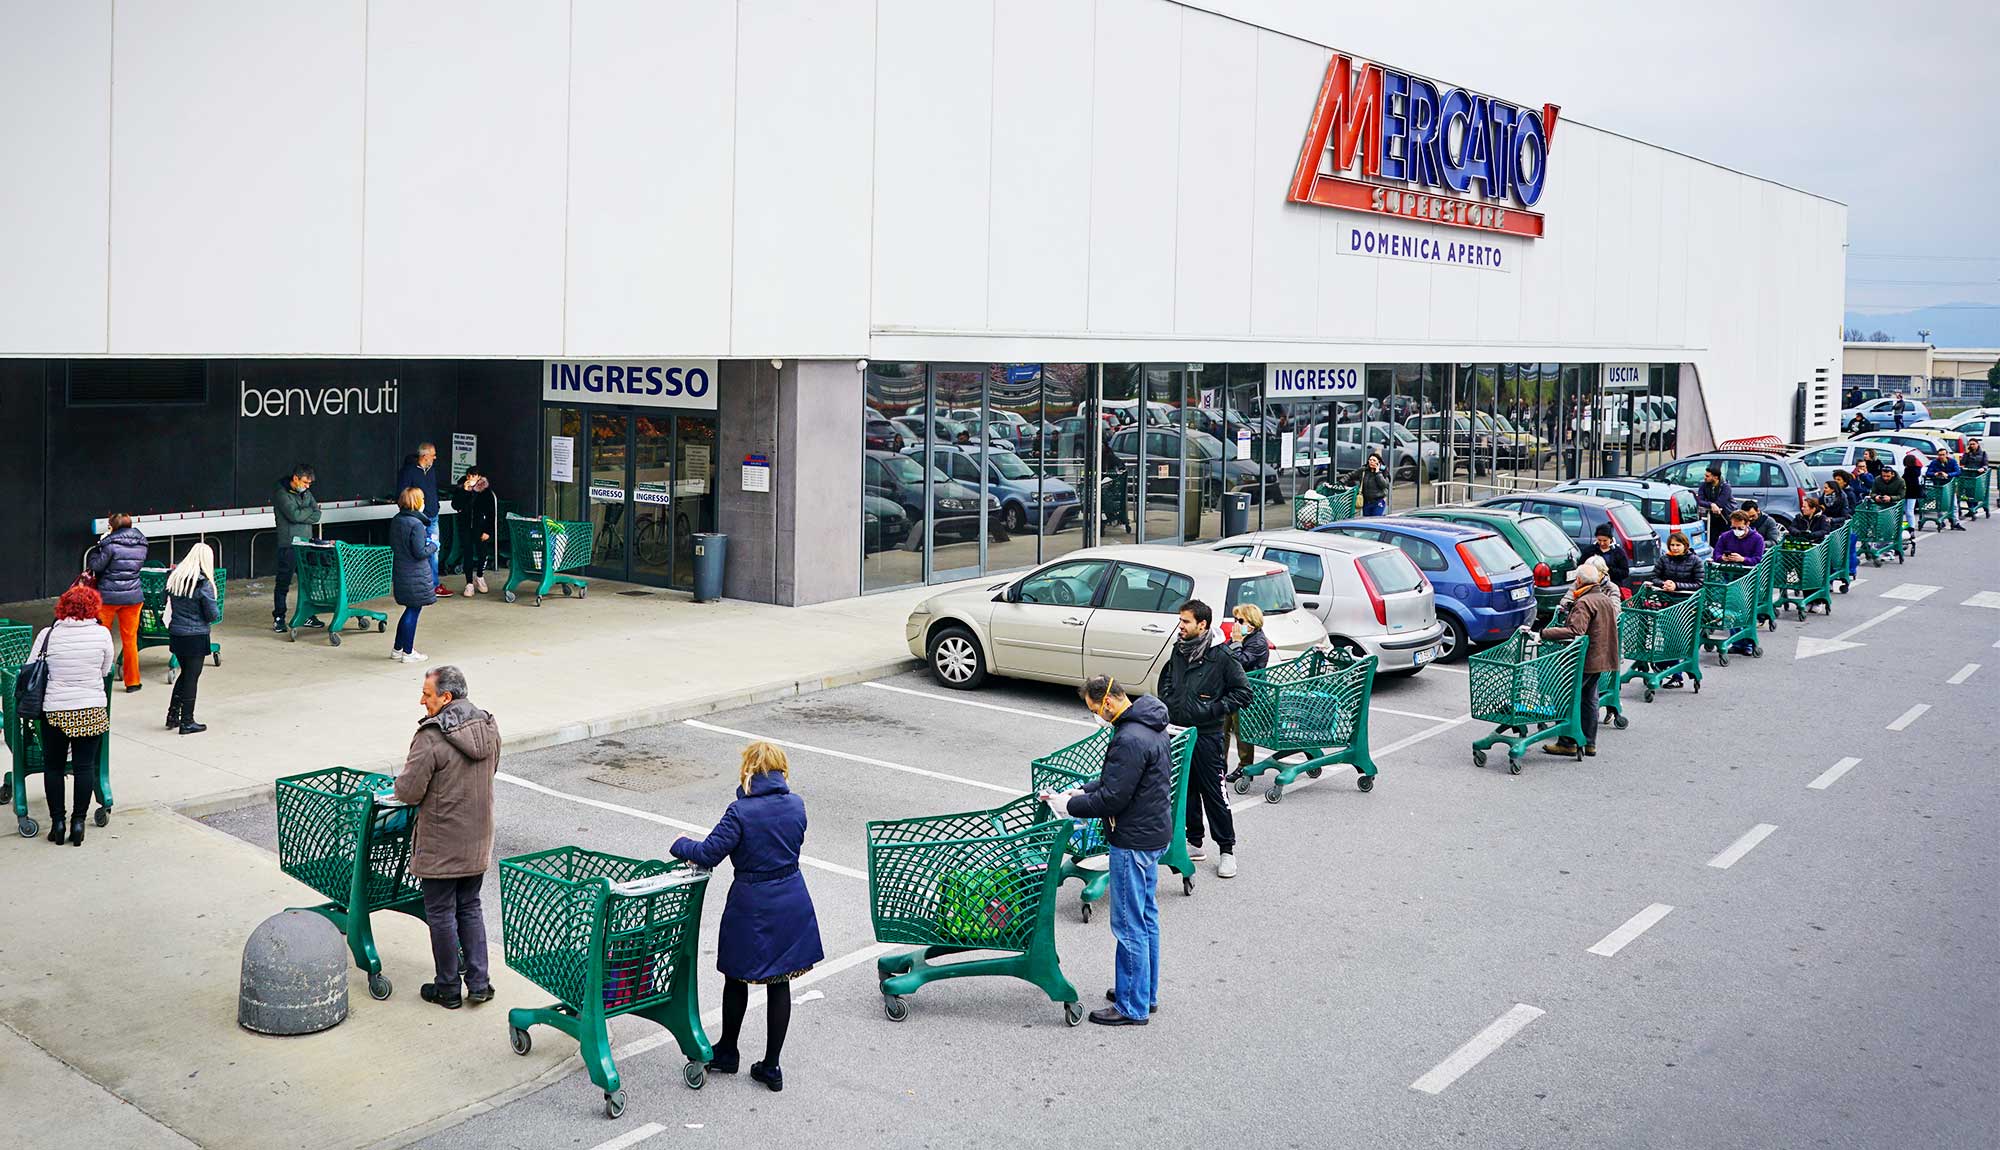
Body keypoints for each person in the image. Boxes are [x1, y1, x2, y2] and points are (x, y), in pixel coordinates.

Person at [669, 742, 825, 1090]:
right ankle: (772, 1066)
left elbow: (708, 854)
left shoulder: (740, 812)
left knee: (736, 977)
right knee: (779, 981)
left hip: (751, 904)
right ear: (781, 771)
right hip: (792, 899)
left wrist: (680, 843)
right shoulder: (797, 805)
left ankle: (727, 1051)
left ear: (750, 771)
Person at [1043, 675, 1173, 1026]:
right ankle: (1145, 992)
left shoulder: (1129, 737)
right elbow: (1115, 780)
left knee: (1129, 924)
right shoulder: (1149, 723)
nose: (1095, 716)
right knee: (1146, 917)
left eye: (1094, 709)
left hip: (1132, 839)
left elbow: (1113, 797)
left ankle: (1132, 1006)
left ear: (1109, 702)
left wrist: (1070, 806)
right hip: (1152, 832)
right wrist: (1077, 792)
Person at [393, 665, 500, 1010]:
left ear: (446, 697)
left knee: (440, 913)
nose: (421, 701)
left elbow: (409, 792)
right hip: (478, 839)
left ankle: (448, 988)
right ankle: (479, 983)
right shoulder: (488, 726)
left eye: (427, 694)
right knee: (469, 906)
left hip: (442, 844)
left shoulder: (432, 736)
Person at [1154, 599, 1251, 878]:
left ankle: (1227, 850)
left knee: (1214, 793)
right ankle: (1195, 842)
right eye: (1180, 620)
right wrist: (1169, 700)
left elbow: (1243, 693)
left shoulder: (1222, 657)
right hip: (1177, 731)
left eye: (1185, 621)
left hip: (1208, 736)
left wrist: (1211, 709)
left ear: (1202, 624)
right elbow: (1169, 678)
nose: (1180, 626)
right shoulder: (1179, 649)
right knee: (1184, 790)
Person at [31, 583, 115, 845]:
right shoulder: (102, 634)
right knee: (84, 767)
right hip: (91, 709)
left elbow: (32, 666)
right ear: (94, 608)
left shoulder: (48, 634)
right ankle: (78, 823)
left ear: (62, 607)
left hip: (55, 710)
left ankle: (57, 823)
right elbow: (105, 669)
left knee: (53, 767)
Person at [1539, 557, 1619, 758]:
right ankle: (1589, 743)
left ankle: (1567, 742)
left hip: (1586, 659)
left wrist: (1544, 633)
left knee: (1565, 696)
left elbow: (1575, 630)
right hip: (1602, 658)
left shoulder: (1584, 602)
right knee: (1589, 700)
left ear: (1580, 581)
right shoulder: (1603, 599)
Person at [163, 542, 221, 735]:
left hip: (177, 633)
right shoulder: (204, 584)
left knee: (185, 673)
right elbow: (212, 614)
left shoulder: (175, 578)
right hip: (196, 635)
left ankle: (173, 715)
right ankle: (187, 721)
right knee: (192, 677)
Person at [86, 513, 148, 692]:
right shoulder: (142, 544)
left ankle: (98, 677)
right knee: (130, 640)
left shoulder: (109, 545)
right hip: (133, 597)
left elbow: (96, 566)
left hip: (108, 597)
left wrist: (99, 548)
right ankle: (133, 682)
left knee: (100, 638)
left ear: (112, 527)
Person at [272, 464, 324, 632]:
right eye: (305, 482)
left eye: (309, 484)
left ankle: (308, 614)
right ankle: (279, 617)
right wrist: (307, 511)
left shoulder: (306, 493)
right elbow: (293, 516)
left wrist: (304, 512)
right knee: (283, 583)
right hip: (289, 544)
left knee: (308, 581)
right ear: (295, 478)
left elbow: (317, 514)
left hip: (306, 544)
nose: (307, 486)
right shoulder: (281, 493)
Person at [390, 487, 438, 662]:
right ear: (416, 502)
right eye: (422, 498)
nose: (424, 501)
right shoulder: (416, 524)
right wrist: (433, 545)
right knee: (413, 610)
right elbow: (420, 552)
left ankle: (397, 648)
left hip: (401, 571)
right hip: (415, 574)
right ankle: (408, 652)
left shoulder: (398, 519)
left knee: (409, 609)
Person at [1223, 603, 1271, 777]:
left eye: (1240, 620)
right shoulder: (1242, 637)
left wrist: (1236, 642)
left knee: (1241, 729)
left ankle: (1245, 766)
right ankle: (1220, 765)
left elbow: (1239, 662)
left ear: (1251, 622)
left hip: (1248, 692)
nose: (1236, 623)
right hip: (1231, 690)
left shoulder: (1257, 642)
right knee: (1222, 727)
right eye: (1235, 619)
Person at [1652, 532, 1704, 689]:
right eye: (1672, 545)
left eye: (1678, 545)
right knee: (1667, 636)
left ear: (1685, 546)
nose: (1674, 548)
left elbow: (1699, 583)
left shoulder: (1695, 561)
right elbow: (1654, 577)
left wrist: (1677, 586)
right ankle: (1665, 664)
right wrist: (1664, 584)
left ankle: (1677, 675)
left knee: (1676, 638)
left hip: (1685, 606)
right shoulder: (1664, 559)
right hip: (1666, 604)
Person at [398, 443, 449, 597]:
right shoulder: (409, 472)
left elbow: (432, 489)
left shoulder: (431, 470)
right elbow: (402, 495)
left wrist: (436, 505)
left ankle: (433, 585)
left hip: (433, 516)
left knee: (434, 550)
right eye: (433, 454)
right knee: (418, 550)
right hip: (417, 519)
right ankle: (422, 585)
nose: (435, 457)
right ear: (424, 455)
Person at [456, 466, 501, 595]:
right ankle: (469, 583)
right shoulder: (461, 488)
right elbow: (456, 505)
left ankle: (480, 576)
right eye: (469, 476)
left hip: (480, 527)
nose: (471, 479)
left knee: (482, 553)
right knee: (468, 554)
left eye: (474, 476)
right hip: (465, 527)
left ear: (479, 477)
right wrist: (464, 491)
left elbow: (491, 513)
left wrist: (488, 530)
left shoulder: (486, 492)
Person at [1695, 465, 1734, 542]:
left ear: (1715, 477)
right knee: (1712, 538)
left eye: (1707, 476)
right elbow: (1699, 500)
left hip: (1726, 516)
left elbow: (1720, 503)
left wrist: (1712, 505)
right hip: (1712, 515)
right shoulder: (1704, 485)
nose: (1705, 477)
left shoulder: (1725, 487)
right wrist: (1711, 505)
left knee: (1726, 538)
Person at [1344, 452, 1390, 517]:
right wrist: (1342, 481)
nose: (1371, 462)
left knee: (1375, 520)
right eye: (1370, 460)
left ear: (1378, 462)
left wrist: (1377, 473)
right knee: (1366, 520)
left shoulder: (1383, 471)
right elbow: (1350, 475)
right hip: (1366, 502)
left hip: (1378, 501)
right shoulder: (1364, 470)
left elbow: (1384, 485)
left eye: (1374, 460)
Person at [1900, 453, 1923, 534]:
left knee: (1907, 510)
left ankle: (1909, 526)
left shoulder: (1909, 470)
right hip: (1914, 492)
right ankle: (1911, 527)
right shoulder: (1916, 470)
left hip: (1909, 492)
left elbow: (1904, 479)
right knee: (1909, 510)